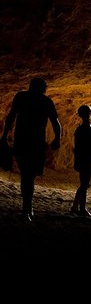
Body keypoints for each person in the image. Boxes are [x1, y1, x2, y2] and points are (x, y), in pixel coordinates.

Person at [1, 77, 62, 221]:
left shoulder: (21, 97)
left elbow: (10, 117)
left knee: (25, 174)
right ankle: (27, 208)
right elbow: (56, 123)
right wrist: (57, 138)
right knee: (30, 175)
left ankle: (26, 208)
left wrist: (4, 136)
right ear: (43, 89)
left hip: (21, 141)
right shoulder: (46, 102)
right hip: (36, 143)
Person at [70, 105, 91, 217]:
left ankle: (75, 207)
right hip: (85, 158)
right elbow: (80, 146)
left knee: (85, 184)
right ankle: (81, 208)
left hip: (88, 158)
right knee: (85, 184)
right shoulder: (84, 129)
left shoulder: (88, 127)